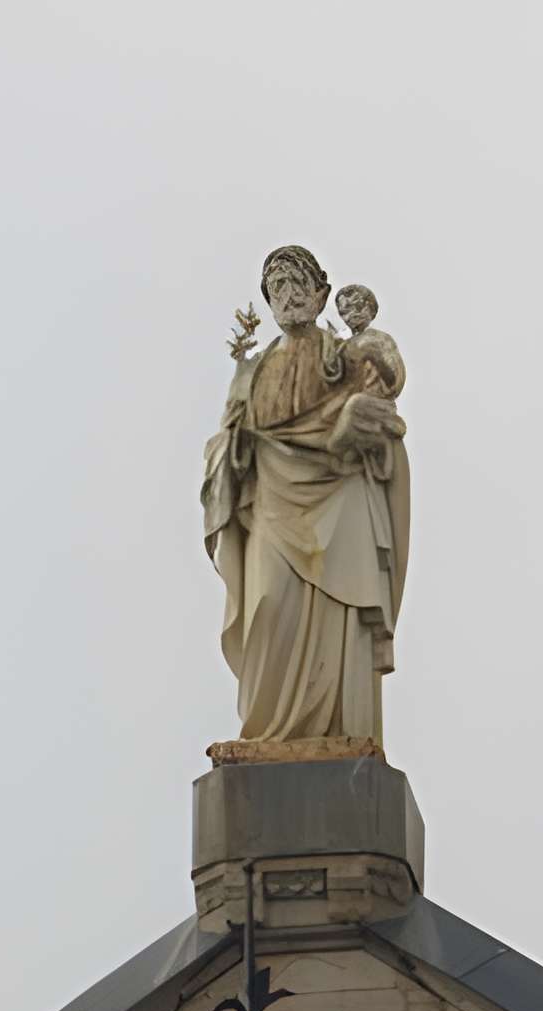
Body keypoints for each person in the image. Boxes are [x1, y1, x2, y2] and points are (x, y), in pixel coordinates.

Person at [199, 244, 410, 744]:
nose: (290, 296)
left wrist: (360, 426)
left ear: (321, 296)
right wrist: (233, 448)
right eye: (278, 289)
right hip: (273, 498)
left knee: (342, 618)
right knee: (268, 604)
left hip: (341, 496)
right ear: (269, 303)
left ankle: (342, 734)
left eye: (299, 286)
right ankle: (269, 736)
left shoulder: (347, 355)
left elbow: (385, 415)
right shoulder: (253, 371)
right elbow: (226, 442)